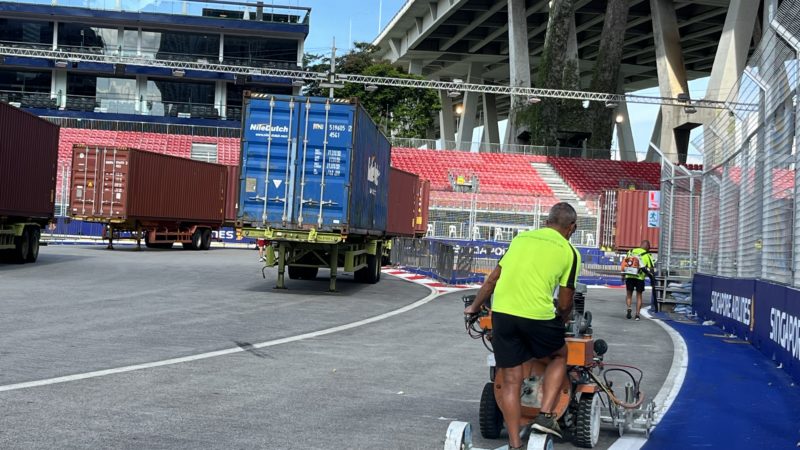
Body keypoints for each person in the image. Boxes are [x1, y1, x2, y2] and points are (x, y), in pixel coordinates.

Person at [464, 202, 581, 448]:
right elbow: (565, 302)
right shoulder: (570, 252)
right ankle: (545, 416)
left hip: (503, 314)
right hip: (538, 316)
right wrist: (561, 320)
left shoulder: (520, 240)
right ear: (572, 227)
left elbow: (492, 279)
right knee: (560, 355)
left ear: (547, 221)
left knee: (510, 379)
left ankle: (515, 445)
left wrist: (474, 307)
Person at [622, 240, 655, 321]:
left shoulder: (631, 252)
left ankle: (629, 308)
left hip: (629, 276)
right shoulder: (647, 255)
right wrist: (652, 278)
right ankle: (637, 315)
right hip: (640, 278)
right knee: (639, 296)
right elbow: (651, 269)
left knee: (629, 294)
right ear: (647, 247)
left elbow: (624, 264)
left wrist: (623, 275)